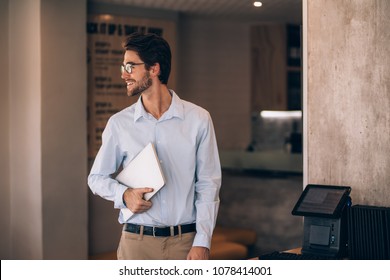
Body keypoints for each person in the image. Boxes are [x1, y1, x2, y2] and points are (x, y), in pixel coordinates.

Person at [88, 32, 222, 260]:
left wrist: (203, 241)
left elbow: (208, 184)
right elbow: (96, 178)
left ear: (154, 69)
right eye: (123, 66)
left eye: (130, 66)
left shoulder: (199, 119)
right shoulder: (119, 124)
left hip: (186, 243)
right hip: (136, 244)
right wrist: (124, 194)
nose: (123, 74)